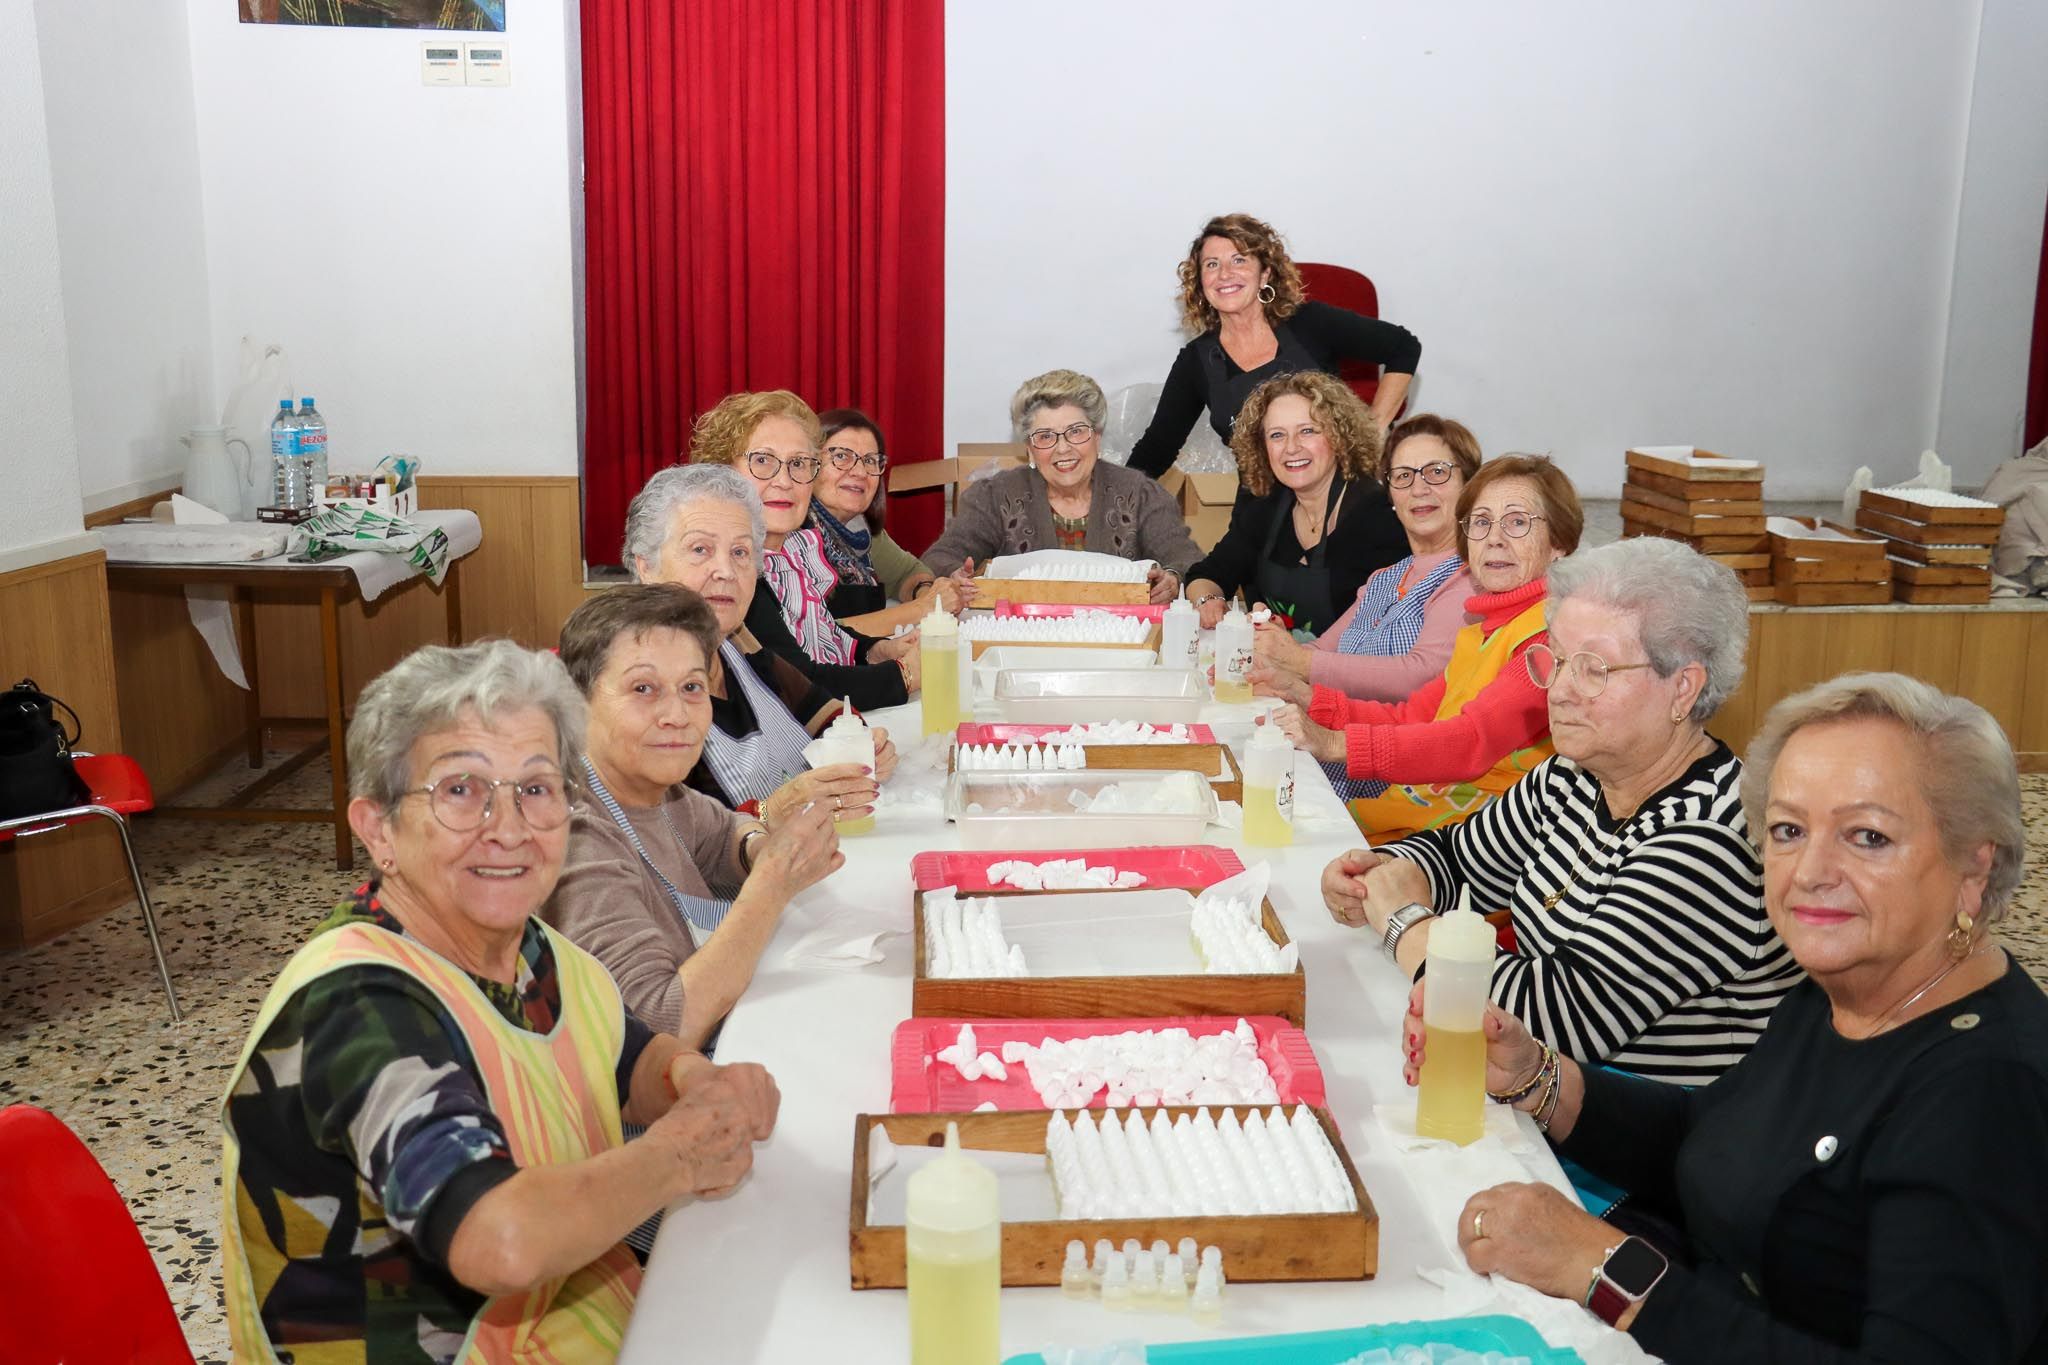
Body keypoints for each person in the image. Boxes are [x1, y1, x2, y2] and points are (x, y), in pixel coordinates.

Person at [1418, 673, 2045, 1362]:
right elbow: (1718, 1139)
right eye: (1788, 829)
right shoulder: (1845, 990)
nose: (1809, 870)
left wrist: (1606, 1270)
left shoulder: (1988, 1091)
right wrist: (1541, 1077)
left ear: (1974, 867)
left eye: (1867, 836)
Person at [221, 640, 780, 1362]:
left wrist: (692, 1080)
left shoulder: (530, 950)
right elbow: (500, 1238)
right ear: (379, 828)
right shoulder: (355, 1006)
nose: (509, 825)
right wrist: (679, 1154)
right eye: (461, 789)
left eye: (537, 787)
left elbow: (624, 1055)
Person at [1323, 534, 1800, 1086]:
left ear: (1683, 689)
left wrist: (1402, 921)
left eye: (1594, 669)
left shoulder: (1710, 839)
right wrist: (1381, 874)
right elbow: (1458, 857)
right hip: (1537, 1104)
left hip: (1632, 1152)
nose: (1560, 691)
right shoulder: (1574, 775)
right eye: (1559, 660)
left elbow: (1554, 1018)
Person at [549, 584, 847, 1049]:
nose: (676, 714)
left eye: (691, 687)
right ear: (576, 703)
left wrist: (757, 847)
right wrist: (770, 887)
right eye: (643, 688)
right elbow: (662, 1027)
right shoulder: (575, 836)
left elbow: (723, 831)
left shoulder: (654, 792)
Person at [1276, 454, 1581, 841]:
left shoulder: (1549, 638)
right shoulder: (1480, 630)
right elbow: (1413, 716)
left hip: (1485, 839)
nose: (1495, 538)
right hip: (1433, 807)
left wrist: (1334, 743)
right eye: (1481, 523)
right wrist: (1308, 699)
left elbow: (1470, 741)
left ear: (1559, 543)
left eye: (1518, 522)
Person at [623, 462, 900, 814]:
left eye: (740, 553)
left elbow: (825, 711)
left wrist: (859, 745)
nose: (725, 571)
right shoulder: (634, 691)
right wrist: (773, 812)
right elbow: (667, 838)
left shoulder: (739, 644)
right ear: (646, 565)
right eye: (700, 550)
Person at [1249, 414, 1481, 800]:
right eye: (1403, 476)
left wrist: (1299, 663)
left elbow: (1421, 678)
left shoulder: (1469, 579)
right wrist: (1267, 661)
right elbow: (1322, 651)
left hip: (1395, 791)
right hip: (1328, 770)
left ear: (1469, 486)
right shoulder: (1385, 578)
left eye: (1437, 472)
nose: (1419, 488)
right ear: (1390, 495)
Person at [1128, 213, 1421, 479]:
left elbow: (1404, 347)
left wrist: (1373, 430)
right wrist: (1106, 503)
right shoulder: (1196, 361)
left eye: (1239, 260)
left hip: (1339, 491)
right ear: (1201, 283)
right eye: (1212, 264)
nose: (1225, 274)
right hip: (1261, 507)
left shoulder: (1310, 322)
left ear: (1265, 274)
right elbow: (1157, 448)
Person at [687, 390, 916, 707]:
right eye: (763, 461)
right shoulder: (730, 572)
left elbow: (821, 634)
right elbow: (799, 683)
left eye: (798, 463)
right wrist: (905, 675)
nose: (784, 480)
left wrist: (875, 650)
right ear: (723, 472)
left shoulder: (795, 548)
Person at [922, 368, 1202, 605]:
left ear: (1097, 437)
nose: (1063, 449)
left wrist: (1172, 579)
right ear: (1030, 449)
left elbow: (1187, 560)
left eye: (1076, 432)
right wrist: (953, 575)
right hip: (1023, 641)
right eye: (1045, 437)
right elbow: (939, 558)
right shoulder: (995, 496)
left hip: (1120, 641)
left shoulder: (1140, 493)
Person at [1179, 372, 1408, 638]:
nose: (1291, 448)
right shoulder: (1265, 508)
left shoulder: (1379, 516)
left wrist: (1299, 660)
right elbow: (1207, 575)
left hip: (1351, 675)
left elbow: (1390, 632)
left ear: (1340, 437)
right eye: (1277, 435)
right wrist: (1208, 602)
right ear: (1261, 447)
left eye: (1307, 431)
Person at [807, 407, 971, 633]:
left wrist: (927, 593)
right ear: (809, 463)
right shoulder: (791, 534)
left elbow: (909, 572)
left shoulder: (859, 531)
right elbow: (818, 634)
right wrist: (924, 607)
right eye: (841, 457)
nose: (860, 471)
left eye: (870, 460)